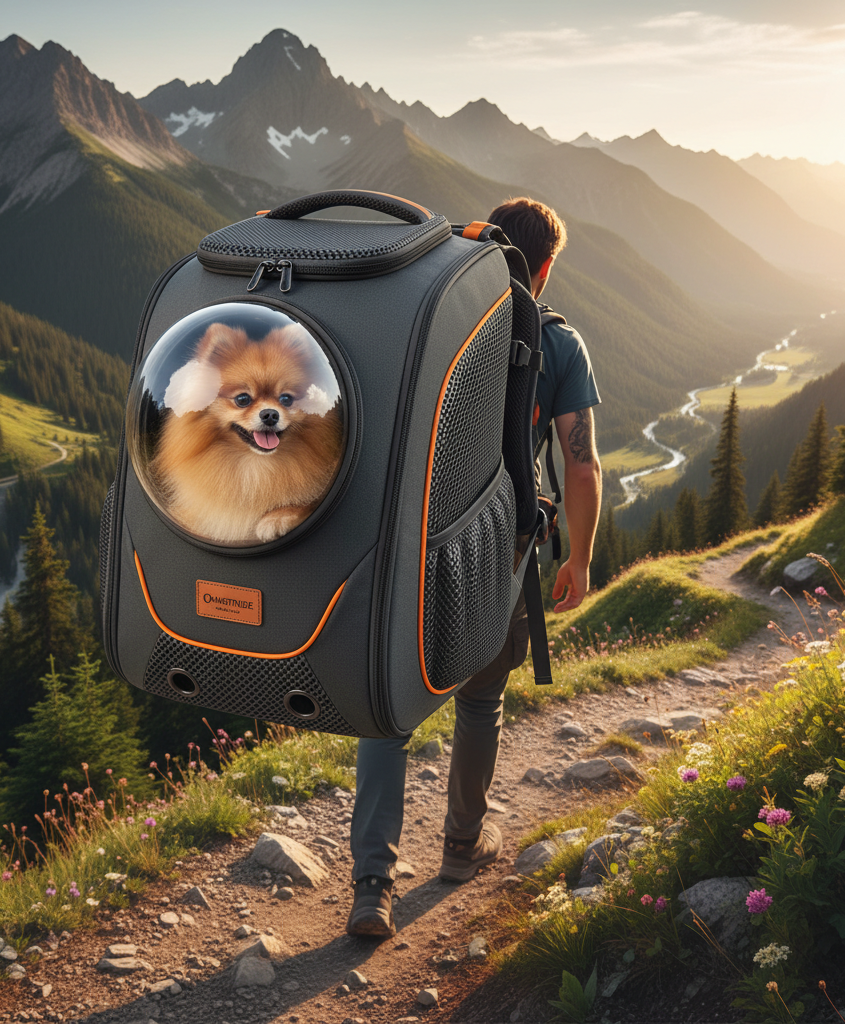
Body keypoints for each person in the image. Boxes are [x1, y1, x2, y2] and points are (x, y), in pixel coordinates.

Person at [346, 197, 603, 938]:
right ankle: (462, 846)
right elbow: (580, 468)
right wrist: (578, 559)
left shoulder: (431, 326)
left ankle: (372, 886)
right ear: (546, 265)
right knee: (480, 701)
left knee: (386, 711)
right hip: (505, 550)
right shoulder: (559, 343)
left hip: (412, 550)